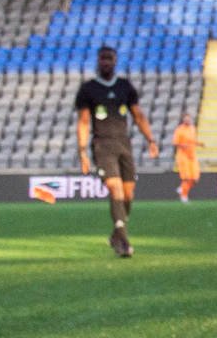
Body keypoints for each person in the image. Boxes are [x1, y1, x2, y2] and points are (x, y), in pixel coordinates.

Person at [76, 44, 160, 257]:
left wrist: (150, 139)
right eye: (102, 58)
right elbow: (84, 121)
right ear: (98, 61)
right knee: (116, 190)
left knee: (129, 194)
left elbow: (138, 115)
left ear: (115, 61)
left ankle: (116, 233)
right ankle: (123, 241)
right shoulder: (88, 89)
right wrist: (83, 152)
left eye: (109, 58)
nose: (105, 62)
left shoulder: (125, 86)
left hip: (124, 143)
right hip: (102, 145)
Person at [172, 112, 201, 202]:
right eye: (186, 118)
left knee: (195, 178)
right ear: (183, 119)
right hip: (183, 156)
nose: (187, 120)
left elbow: (193, 140)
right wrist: (183, 145)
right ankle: (184, 196)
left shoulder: (192, 128)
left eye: (189, 118)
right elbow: (175, 142)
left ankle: (182, 188)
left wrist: (199, 144)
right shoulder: (179, 130)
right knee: (187, 177)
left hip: (192, 155)